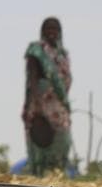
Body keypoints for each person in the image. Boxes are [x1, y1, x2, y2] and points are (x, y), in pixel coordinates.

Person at [23, 17, 72, 175]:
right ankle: (40, 176)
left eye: (55, 29)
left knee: (63, 139)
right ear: (43, 31)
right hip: (41, 100)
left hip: (58, 102)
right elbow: (32, 77)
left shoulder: (62, 53)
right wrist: (35, 103)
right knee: (40, 139)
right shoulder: (37, 50)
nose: (52, 32)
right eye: (48, 29)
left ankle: (56, 173)